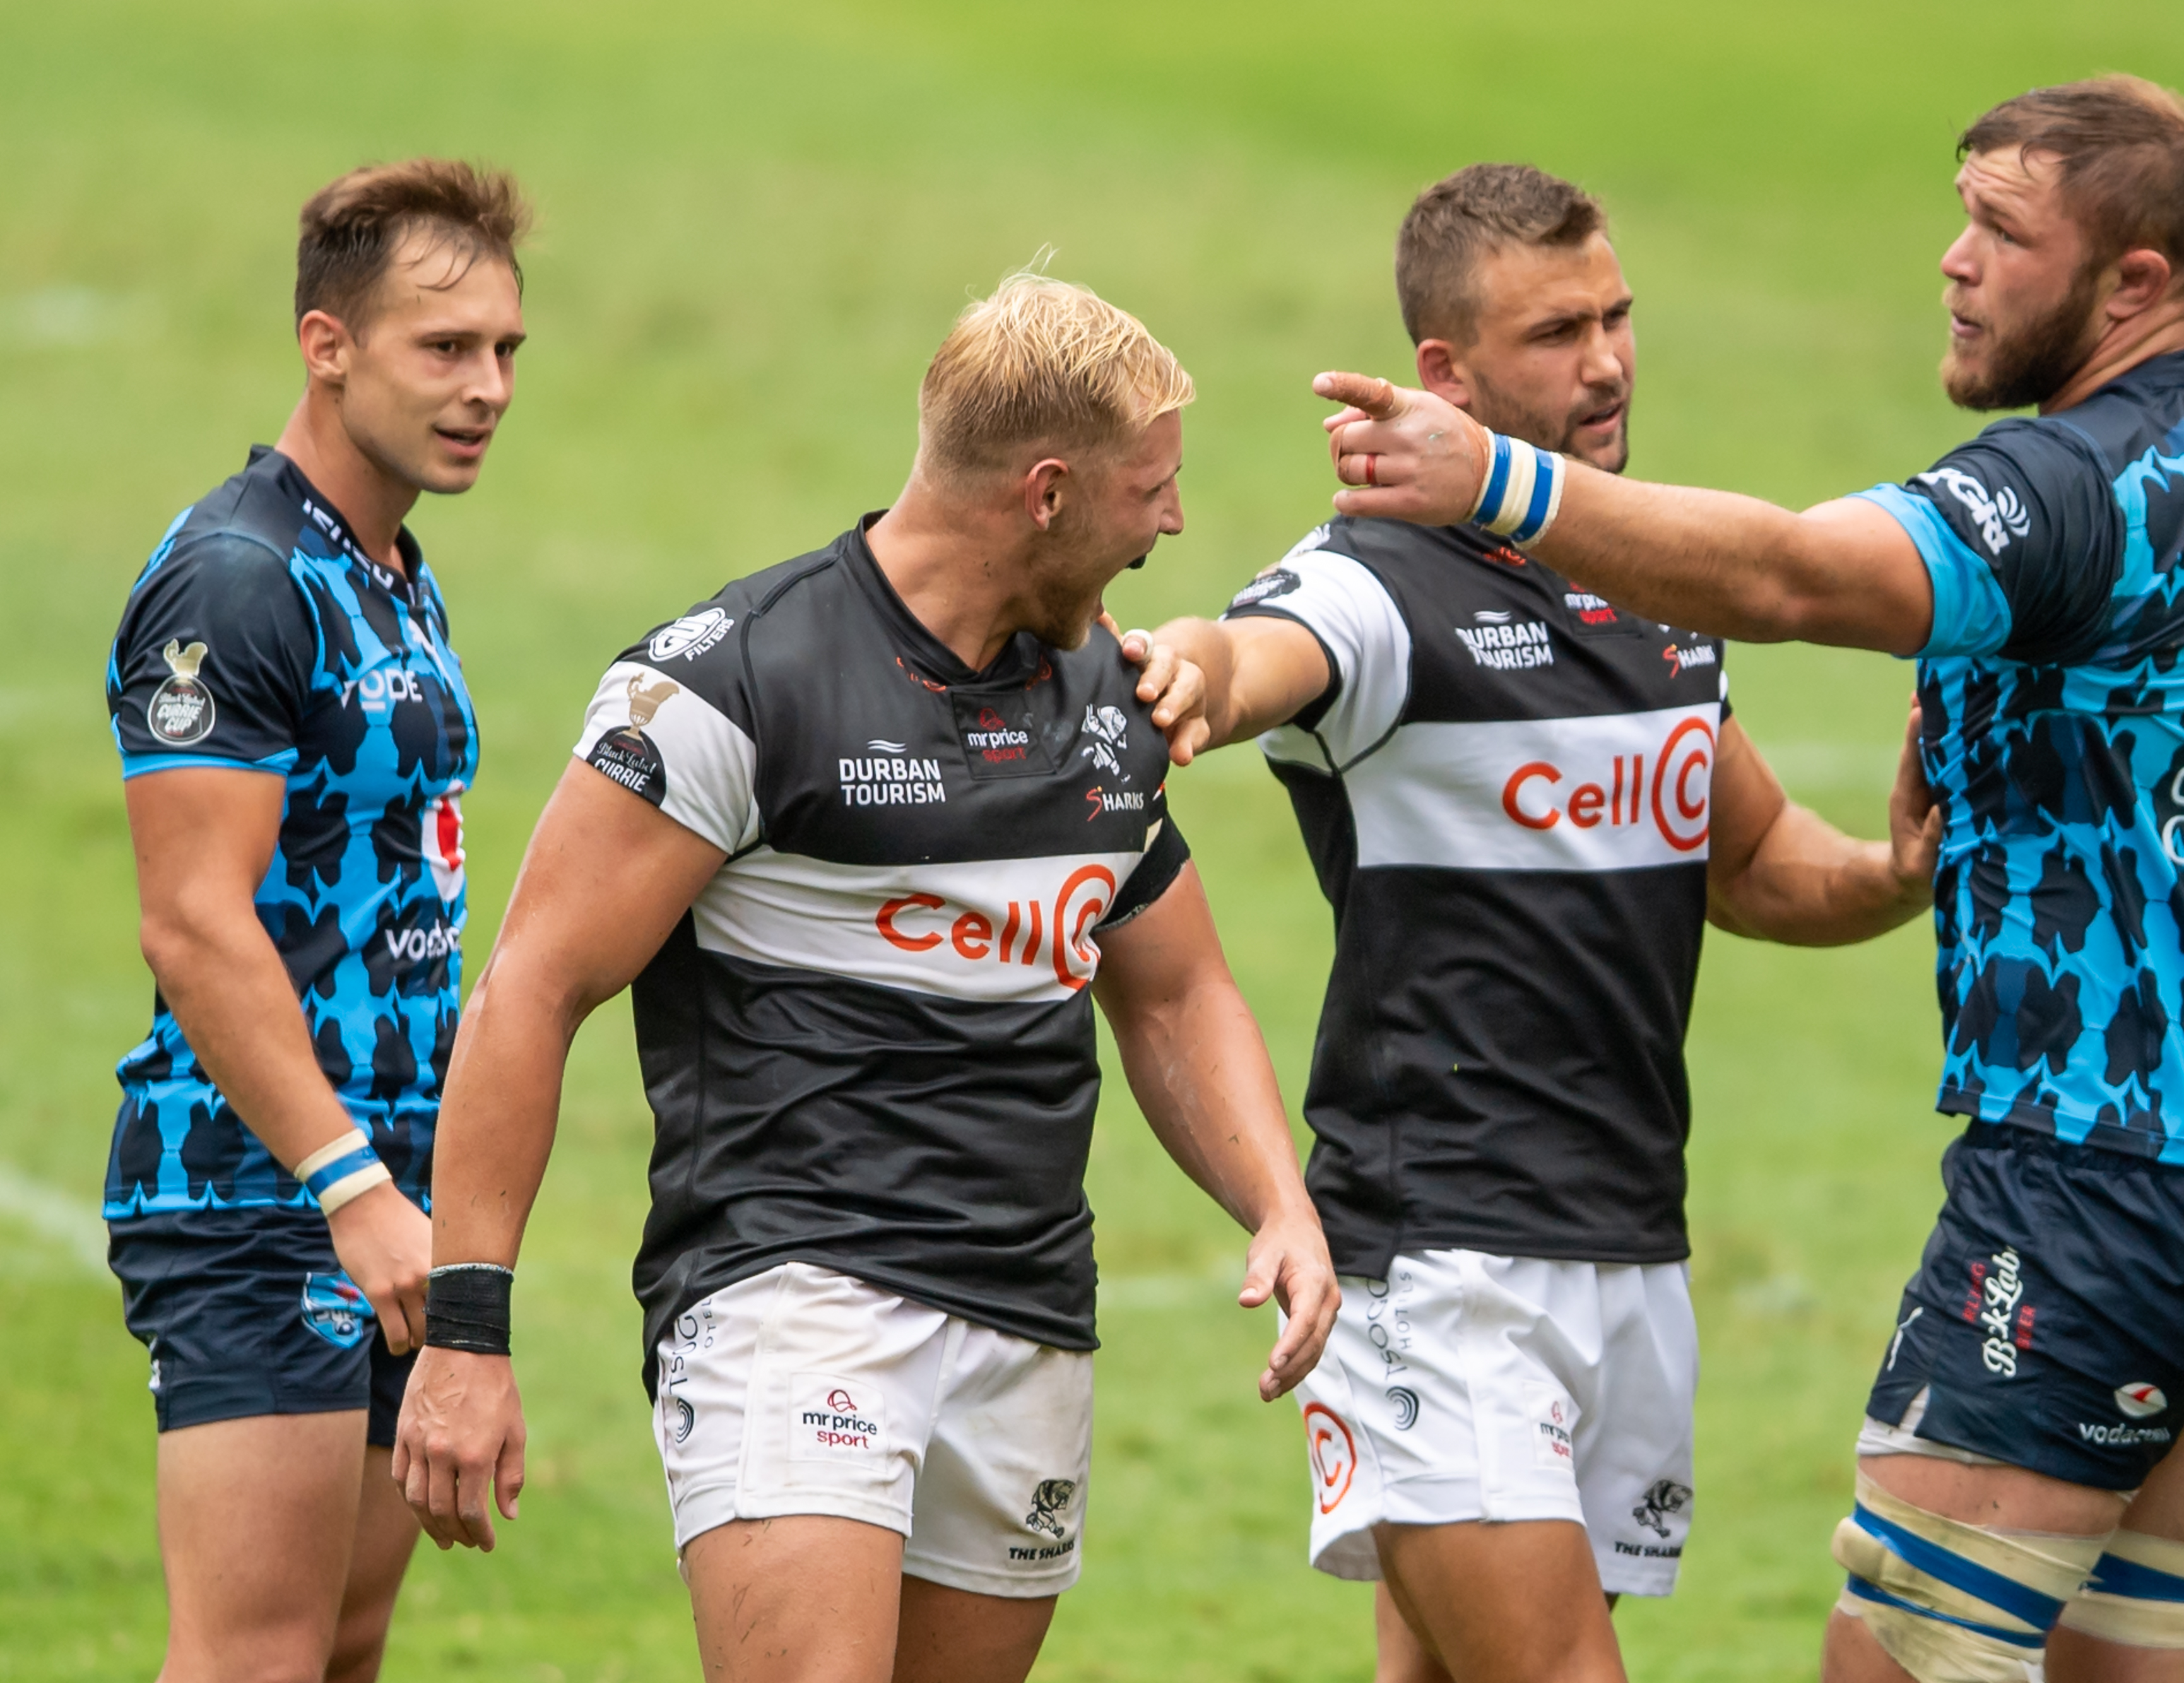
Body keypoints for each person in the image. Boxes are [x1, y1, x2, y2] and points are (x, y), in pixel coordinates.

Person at [1307, 77, 2184, 1683]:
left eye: (2001, 233)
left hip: (2088, 1193)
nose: (1954, 261)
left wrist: (1497, 483)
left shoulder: (2065, 487)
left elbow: (1785, 575)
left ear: (2130, 283)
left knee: (1899, 1655)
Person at [391, 273, 1341, 1683]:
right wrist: (467, 1332)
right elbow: (531, 986)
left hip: (1028, 1315)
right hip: (793, 1297)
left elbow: (1172, 990)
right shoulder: (734, 685)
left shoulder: (1108, 701)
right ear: (1046, 494)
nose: (1175, 524)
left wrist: (1280, 1205)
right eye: (1150, 490)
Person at [1150, 164, 1940, 1683]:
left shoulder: (1654, 585)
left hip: (1627, 1243)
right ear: (1443, 374)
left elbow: (1748, 856)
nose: (1606, 363)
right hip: (1440, 1257)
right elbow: (1257, 653)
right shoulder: (1378, 591)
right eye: (1556, 334)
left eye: (1615, 317)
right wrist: (1190, 664)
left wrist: (1891, 873)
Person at [102, 160, 530, 1682]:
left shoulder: (388, 568)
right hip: (262, 1188)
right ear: (326, 345)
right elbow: (191, 921)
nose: (486, 388)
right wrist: (347, 1182)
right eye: (444, 348)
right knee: (255, 1657)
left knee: (340, 1644)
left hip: (391, 1189)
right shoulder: (237, 579)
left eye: (504, 350)